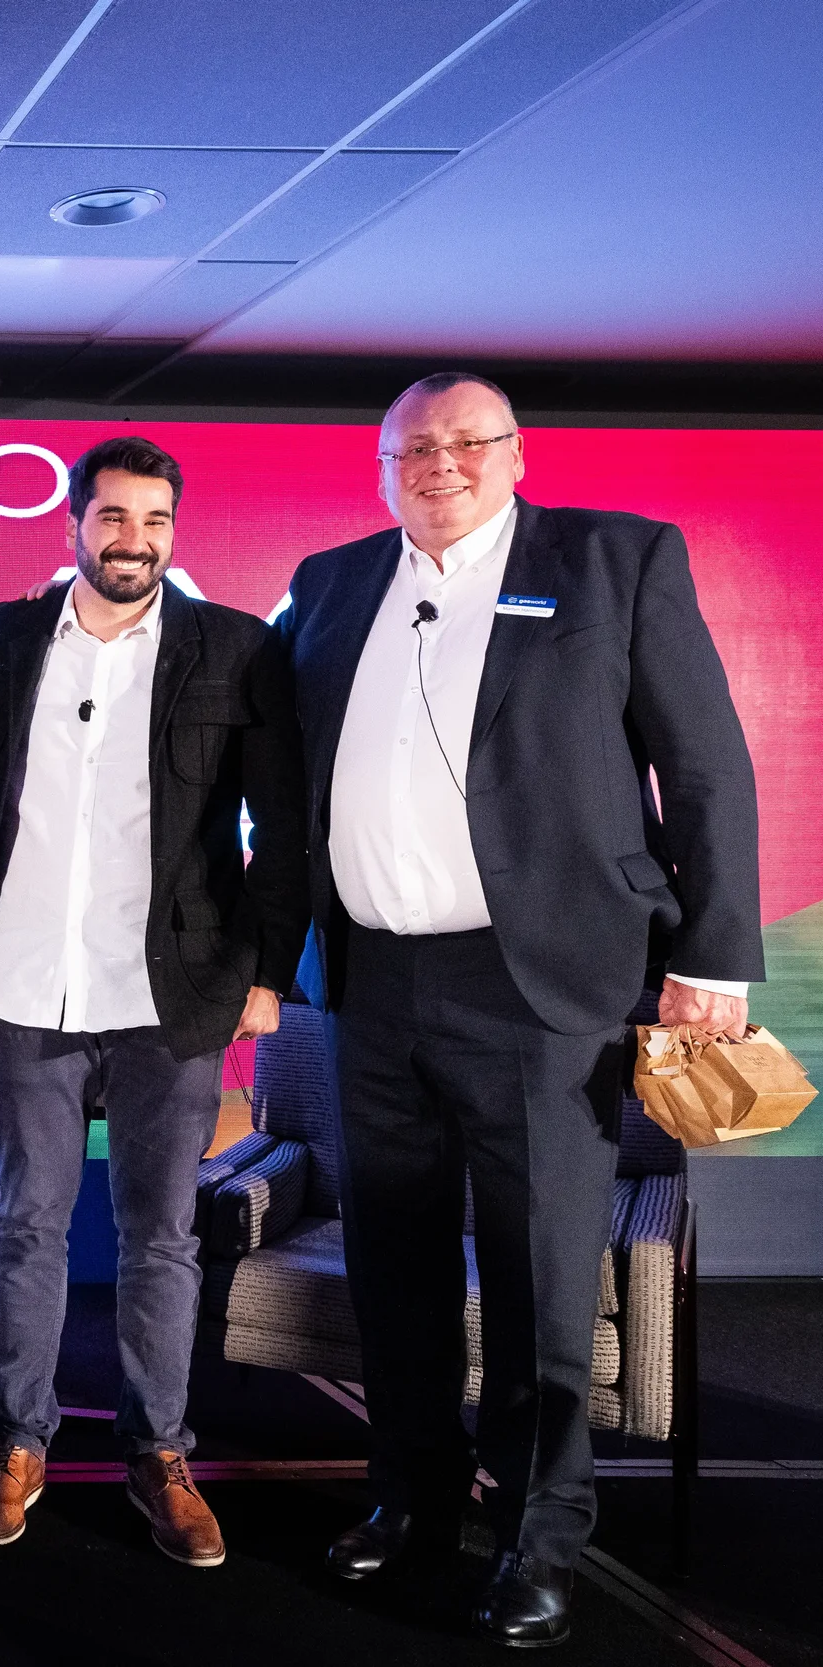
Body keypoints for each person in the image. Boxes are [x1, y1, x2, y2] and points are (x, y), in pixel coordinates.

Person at [280, 373, 761, 1646]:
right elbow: (285, 788)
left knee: (542, 1275)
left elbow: (704, 763)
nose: (437, 463)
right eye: (410, 447)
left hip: (546, 988)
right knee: (392, 1267)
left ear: (514, 452)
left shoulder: (612, 559)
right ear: (380, 467)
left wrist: (714, 953)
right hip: (373, 984)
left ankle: (540, 1535)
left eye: (464, 442)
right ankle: (411, 1500)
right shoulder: (327, 583)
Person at [0, 437, 308, 1567]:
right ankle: (19, 1440)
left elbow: (282, 830)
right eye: (111, 515)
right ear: (73, 523)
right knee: (26, 1223)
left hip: (175, 991)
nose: (131, 537)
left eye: (152, 517)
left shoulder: (238, 650)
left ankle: (160, 1449)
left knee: (160, 1233)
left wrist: (264, 972)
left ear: (173, 528)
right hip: (23, 982)